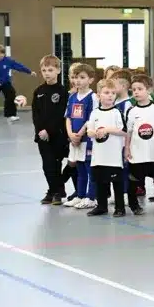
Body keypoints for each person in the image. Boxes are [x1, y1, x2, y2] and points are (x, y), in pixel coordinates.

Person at [85, 80, 134, 217]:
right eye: (106, 93)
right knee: (100, 181)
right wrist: (93, 133)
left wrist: (107, 129)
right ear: (99, 95)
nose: (110, 96)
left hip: (113, 156)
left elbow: (124, 131)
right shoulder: (95, 113)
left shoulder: (117, 112)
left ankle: (120, 208)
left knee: (116, 182)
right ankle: (101, 206)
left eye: (113, 93)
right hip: (99, 155)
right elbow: (89, 131)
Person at [124, 73, 154, 213]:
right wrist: (127, 149)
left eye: (140, 89)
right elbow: (129, 132)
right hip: (137, 153)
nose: (136, 92)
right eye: (134, 89)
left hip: (153, 152)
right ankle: (134, 205)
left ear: (149, 90)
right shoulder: (131, 111)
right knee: (134, 181)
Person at [32, 56, 68, 204]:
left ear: (58, 71)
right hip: (42, 137)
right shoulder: (39, 91)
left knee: (56, 164)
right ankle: (54, 190)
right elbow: (36, 114)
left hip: (57, 135)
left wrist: (49, 130)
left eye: (51, 70)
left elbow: (61, 114)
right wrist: (40, 130)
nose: (47, 73)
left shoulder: (62, 91)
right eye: (44, 70)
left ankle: (57, 192)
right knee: (47, 165)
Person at [63, 64, 97, 209]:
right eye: (76, 77)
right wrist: (71, 134)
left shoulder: (93, 97)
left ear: (91, 80)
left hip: (87, 140)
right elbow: (68, 117)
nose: (78, 81)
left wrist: (80, 133)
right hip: (74, 140)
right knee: (79, 168)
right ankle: (80, 195)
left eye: (82, 78)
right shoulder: (72, 97)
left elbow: (92, 118)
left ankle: (91, 197)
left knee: (89, 168)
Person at [0, 45, 34, 123]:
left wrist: (29, 72)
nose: (0, 55)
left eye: (2, 53)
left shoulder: (8, 61)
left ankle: (10, 115)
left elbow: (18, 66)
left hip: (5, 82)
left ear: (4, 54)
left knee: (11, 94)